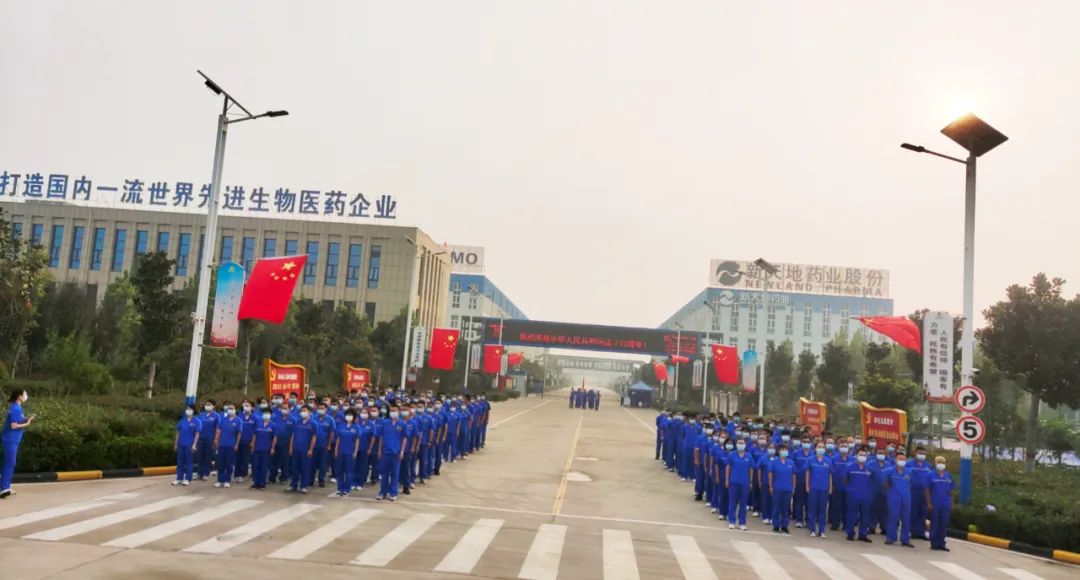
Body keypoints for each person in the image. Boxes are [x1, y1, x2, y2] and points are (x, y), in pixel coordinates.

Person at [882, 451, 914, 547]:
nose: (902, 461)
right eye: (900, 459)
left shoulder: (909, 471)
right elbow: (885, 484)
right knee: (893, 517)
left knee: (906, 518)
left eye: (904, 459)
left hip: (906, 498)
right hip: (893, 498)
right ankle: (890, 538)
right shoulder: (889, 471)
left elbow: (911, 484)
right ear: (896, 460)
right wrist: (892, 492)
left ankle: (905, 539)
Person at [844, 449, 874, 542]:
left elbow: (872, 481)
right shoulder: (850, 467)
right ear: (856, 456)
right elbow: (845, 480)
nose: (862, 457)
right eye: (860, 455)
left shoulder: (869, 469)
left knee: (865, 516)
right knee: (851, 515)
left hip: (865, 496)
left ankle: (863, 534)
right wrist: (850, 489)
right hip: (853, 495)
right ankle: (850, 533)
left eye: (864, 455)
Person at [378, 405, 406, 501]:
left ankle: (393, 493)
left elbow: (404, 439)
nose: (393, 412)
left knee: (395, 474)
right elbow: (381, 437)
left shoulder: (402, 424)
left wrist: (402, 451)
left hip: (396, 452)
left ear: (398, 412)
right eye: (391, 411)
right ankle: (383, 492)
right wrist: (379, 450)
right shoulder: (385, 423)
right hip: (385, 452)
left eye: (395, 411)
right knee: (384, 473)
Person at [288, 406, 318, 493]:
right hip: (296, 448)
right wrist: (290, 447)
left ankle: (304, 486)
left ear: (309, 412)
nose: (302, 412)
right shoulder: (297, 421)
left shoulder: (313, 423)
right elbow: (293, 435)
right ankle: (293, 485)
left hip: (305, 450)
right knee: (294, 468)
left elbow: (314, 437)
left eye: (304, 411)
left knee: (305, 468)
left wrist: (310, 449)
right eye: (301, 411)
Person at [806, 442, 833, 538]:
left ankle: (821, 531)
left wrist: (830, 487)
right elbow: (808, 473)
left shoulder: (828, 460)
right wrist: (807, 486)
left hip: (824, 488)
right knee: (812, 509)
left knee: (822, 510)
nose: (820, 448)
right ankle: (812, 530)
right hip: (813, 488)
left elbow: (830, 475)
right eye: (819, 447)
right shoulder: (810, 459)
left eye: (822, 447)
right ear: (815, 448)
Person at [927, 456, 954, 551]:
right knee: (935, 523)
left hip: (945, 503)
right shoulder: (930, 475)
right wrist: (929, 503)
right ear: (935, 463)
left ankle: (941, 543)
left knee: (943, 524)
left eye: (942, 462)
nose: (941, 464)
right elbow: (927, 490)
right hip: (935, 503)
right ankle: (934, 543)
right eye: (939, 462)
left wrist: (951, 502)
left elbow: (951, 490)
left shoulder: (948, 476)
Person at [726, 439, 753, 530]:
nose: (740, 444)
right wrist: (727, 480)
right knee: (732, 502)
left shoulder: (748, 456)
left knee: (743, 503)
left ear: (745, 445)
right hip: (734, 481)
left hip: (744, 482)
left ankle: (742, 522)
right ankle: (732, 521)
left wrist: (750, 481)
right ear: (736, 444)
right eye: (739, 443)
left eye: (742, 443)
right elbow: (728, 467)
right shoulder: (732, 455)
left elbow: (750, 469)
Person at [214, 402, 241, 488]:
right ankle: (220, 480)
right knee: (220, 463)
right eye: (229, 408)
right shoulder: (223, 419)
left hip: (231, 445)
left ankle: (227, 480)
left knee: (229, 463)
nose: (230, 410)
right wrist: (216, 440)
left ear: (235, 410)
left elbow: (239, 434)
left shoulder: (238, 420)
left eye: (232, 408)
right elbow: (219, 430)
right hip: (222, 444)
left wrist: (236, 444)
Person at [908, 446, 933, 541]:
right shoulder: (909, 464)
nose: (921, 455)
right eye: (919, 453)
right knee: (913, 513)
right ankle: (912, 531)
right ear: (915, 453)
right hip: (913, 492)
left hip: (924, 493)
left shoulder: (928, 466)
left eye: (923, 453)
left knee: (923, 513)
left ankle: (921, 532)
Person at [173, 404, 201, 487]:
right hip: (181, 444)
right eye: (187, 409)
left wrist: (194, 444)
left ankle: (188, 478)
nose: (188, 410)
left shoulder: (197, 421)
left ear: (194, 410)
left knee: (189, 462)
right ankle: (179, 478)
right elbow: (178, 432)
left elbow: (197, 434)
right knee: (180, 462)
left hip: (190, 444)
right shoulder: (182, 420)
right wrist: (176, 443)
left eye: (190, 409)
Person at [334, 409, 360, 496]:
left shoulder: (356, 427)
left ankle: (347, 489)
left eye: (350, 415)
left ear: (354, 417)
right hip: (341, 451)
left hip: (350, 452)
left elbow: (357, 440)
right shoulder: (341, 426)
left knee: (349, 472)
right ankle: (340, 488)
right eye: (347, 414)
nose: (349, 416)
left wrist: (355, 451)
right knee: (340, 471)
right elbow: (338, 439)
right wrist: (336, 450)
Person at [250, 409, 275, 490]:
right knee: (255, 465)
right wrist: (253, 445)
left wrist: (272, 448)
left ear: (270, 415)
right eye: (264, 413)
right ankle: (255, 482)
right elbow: (254, 435)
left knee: (264, 467)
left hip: (266, 449)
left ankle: (262, 483)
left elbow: (274, 438)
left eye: (267, 414)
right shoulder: (258, 423)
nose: (265, 415)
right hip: (257, 448)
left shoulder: (273, 425)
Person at [313, 402, 336, 488]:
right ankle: (311, 479)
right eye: (319, 408)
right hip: (314, 444)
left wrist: (329, 444)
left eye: (322, 408)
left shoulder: (330, 419)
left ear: (326, 409)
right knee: (312, 463)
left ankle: (321, 480)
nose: (320, 410)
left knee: (323, 464)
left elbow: (331, 433)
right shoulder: (314, 418)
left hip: (324, 444)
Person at [196, 399, 219, 481]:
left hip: (210, 439)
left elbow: (217, 428)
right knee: (200, 456)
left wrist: (216, 439)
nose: (207, 406)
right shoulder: (201, 415)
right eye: (206, 404)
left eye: (209, 404)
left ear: (213, 406)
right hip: (200, 439)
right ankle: (200, 473)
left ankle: (206, 473)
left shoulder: (216, 416)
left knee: (207, 457)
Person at [234, 400, 257, 482]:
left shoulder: (255, 418)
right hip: (239, 441)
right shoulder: (239, 416)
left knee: (245, 459)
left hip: (247, 442)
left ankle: (243, 474)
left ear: (252, 408)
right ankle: (237, 474)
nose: (245, 407)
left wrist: (252, 442)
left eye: (247, 406)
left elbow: (255, 432)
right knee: (237, 458)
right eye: (244, 405)